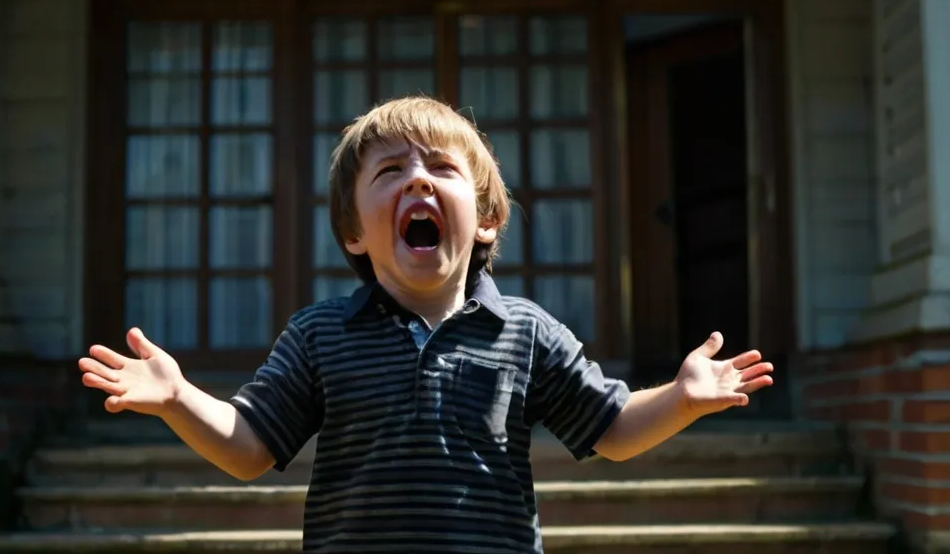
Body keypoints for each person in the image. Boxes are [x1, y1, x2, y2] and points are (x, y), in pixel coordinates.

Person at [78, 96, 774, 553]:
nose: (418, 181)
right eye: (390, 171)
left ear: (487, 219)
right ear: (354, 232)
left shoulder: (526, 331)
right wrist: (178, 399)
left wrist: (680, 398)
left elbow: (614, 430)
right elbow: (249, 448)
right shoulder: (321, 333)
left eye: (442, 168)